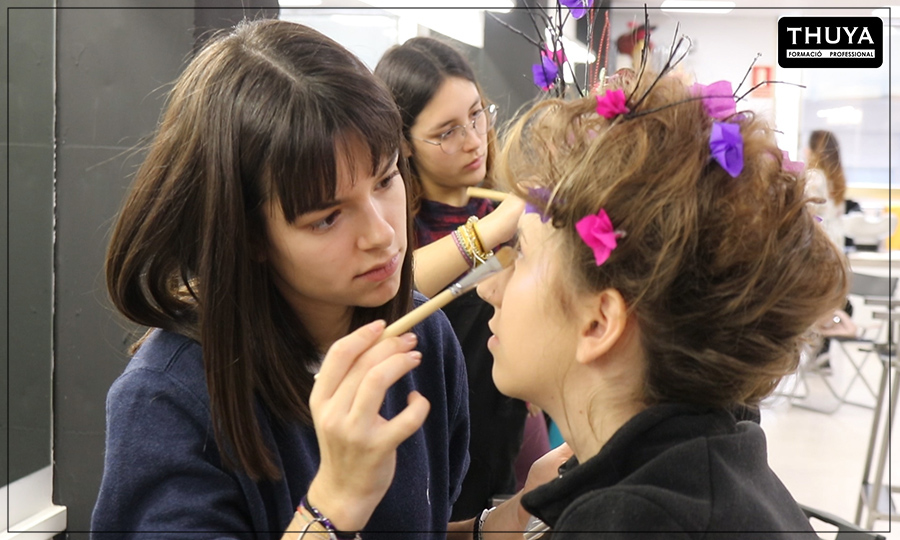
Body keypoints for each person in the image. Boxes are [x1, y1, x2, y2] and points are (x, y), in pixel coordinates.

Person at [92, 19, 562, 539]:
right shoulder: (168, 401)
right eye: (327, 217)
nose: (382, 234)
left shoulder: (422, 336)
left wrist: (506, 521)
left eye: (386, 180)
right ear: (246, 233)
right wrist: (334, 501)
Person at [475, 69, 848, 537]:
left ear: (598, 322)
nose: (488, 289)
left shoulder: (630, 524)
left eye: (522, 254)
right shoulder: (714, 458)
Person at [374, 37, 538, 520]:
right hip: (422, 436)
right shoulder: (391, 222)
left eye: (476, 114)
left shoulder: (504, 201)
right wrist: (487, 234)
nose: (471, 139)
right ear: (403, 142)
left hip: (500, 437)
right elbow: (399, 291)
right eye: (446, 131)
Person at [805, 129, 860, 250]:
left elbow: (807, 212)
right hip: (836, 241)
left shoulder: (814, 176)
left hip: (819, 241)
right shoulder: (837, 179)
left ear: (812, 151)